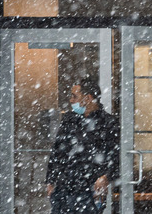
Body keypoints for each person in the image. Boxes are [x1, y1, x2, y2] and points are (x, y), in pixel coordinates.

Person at [46, 78, 119, 213]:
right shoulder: (69, 120)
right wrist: (50, 180)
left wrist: (106, 177)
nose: (71, 100)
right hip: (64, 187)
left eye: (74, 96)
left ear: (88, 98)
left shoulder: (108, 123)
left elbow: (115, 155)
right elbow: (57, 150)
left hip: (89, 190)